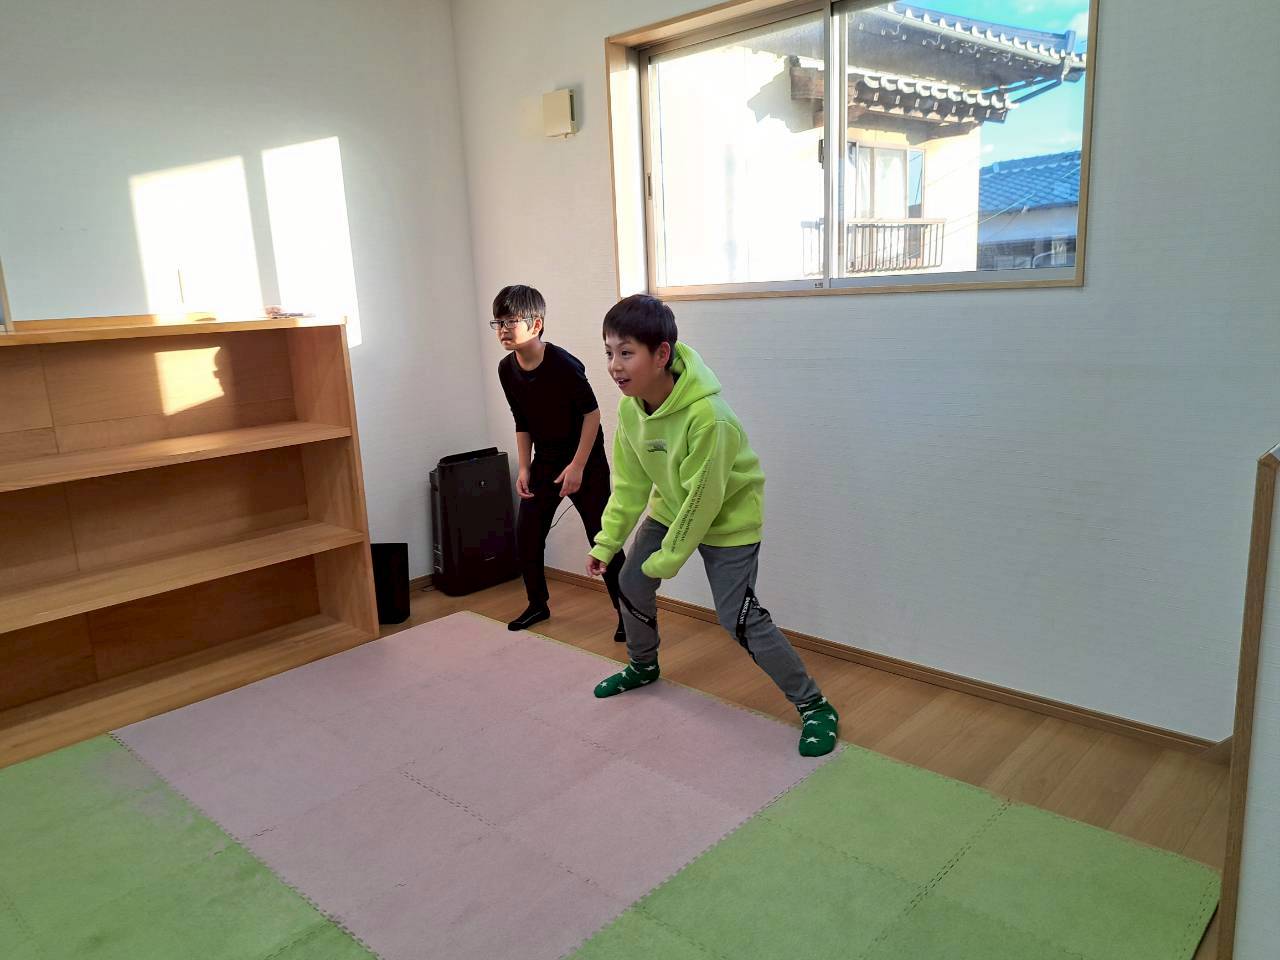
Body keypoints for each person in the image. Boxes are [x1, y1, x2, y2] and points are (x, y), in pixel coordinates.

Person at [585, 294, 837, 756]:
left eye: (626, 352)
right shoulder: (630, 410)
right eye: (609, 352)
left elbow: (704, 502)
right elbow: (631, 485)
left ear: (661, 354)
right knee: (631, 582)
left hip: (728, 520)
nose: (615, 366)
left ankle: (814, 705)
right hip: (671, 508)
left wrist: (667, 559)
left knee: (737, 616)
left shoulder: (709, 417)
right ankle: (643, 665)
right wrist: (607, 542)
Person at [493, 284, 625, 640]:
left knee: (602, 537)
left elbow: (592, 415)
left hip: (586, 460)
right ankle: (538, 604)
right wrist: (524, 467)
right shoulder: (506, 369)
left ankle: (627, 614)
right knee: (527, 533)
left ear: (536, 324)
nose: (503, 329)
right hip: (546, 460)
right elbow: (521, 420)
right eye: (498, 322)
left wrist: (578, 466)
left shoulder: (563, 364)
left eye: (510, 321)